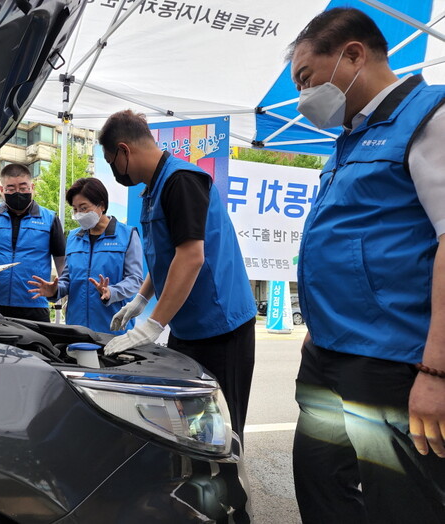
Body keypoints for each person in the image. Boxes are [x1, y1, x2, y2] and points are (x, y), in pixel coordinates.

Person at [288, 8, 445, 523]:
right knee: (320, 484)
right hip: (330, 351)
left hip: (390, 358)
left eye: (306, 78)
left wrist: (436, 371)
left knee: (399, 502)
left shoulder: (430, 117)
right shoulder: (350, 138)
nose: (302, 96)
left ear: (353, 54)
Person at [99, 109, 257, 436]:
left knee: (221, 427)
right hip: (189, 326)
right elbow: (165, 255)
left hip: (221, 326)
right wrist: (140, 300)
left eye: (111, 162)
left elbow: (190, 257)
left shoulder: (181, 181)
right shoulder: (154, 189)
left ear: (124, 151)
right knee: (189, 423)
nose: (115, 172)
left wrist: (152, 325)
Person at [27, 177, 144, 334]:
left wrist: (112, 292)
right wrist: (55, 290)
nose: (79, 214)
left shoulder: (127, 235)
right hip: (77, 328)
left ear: (101, 205)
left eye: (84, 208)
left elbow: (135, 280)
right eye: (75, 209)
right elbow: (68, 279)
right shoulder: (73, 237)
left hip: (113, 328)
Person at [0, 163, 65, 322]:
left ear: (32, 187)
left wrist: (61, 290)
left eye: (23, 188)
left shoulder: (50, 218)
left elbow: (61, 261)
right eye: (11, 189)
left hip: (34, 304)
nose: (18, 193)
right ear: (1, 190)